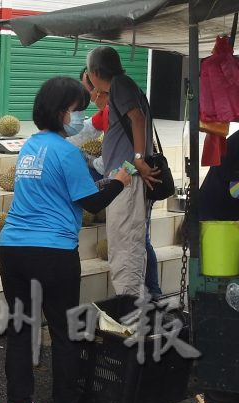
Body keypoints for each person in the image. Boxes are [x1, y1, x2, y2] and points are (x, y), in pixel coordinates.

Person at [0, 76, 133, 403]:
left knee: (21, 328)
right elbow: (91, 202)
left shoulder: (30, 147)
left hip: (13, 249)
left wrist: (107, 180)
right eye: (77, 110)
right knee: (63, 332)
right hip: (53, 252)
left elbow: (66, 188)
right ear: (61, 112)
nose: (80, 117)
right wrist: (121, 179)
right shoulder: (68, 152)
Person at [74, 67, 163, 296]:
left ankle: (151, 293)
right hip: (120, 178)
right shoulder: (109, 109)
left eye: (90, 92)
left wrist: (132, 166)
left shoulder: (121, 100)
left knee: (137, 241)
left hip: (128, 180)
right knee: (136, 241)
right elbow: (86, 132)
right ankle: (146, 296)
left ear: (99, 85)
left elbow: (133, 153)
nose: (91, 98)